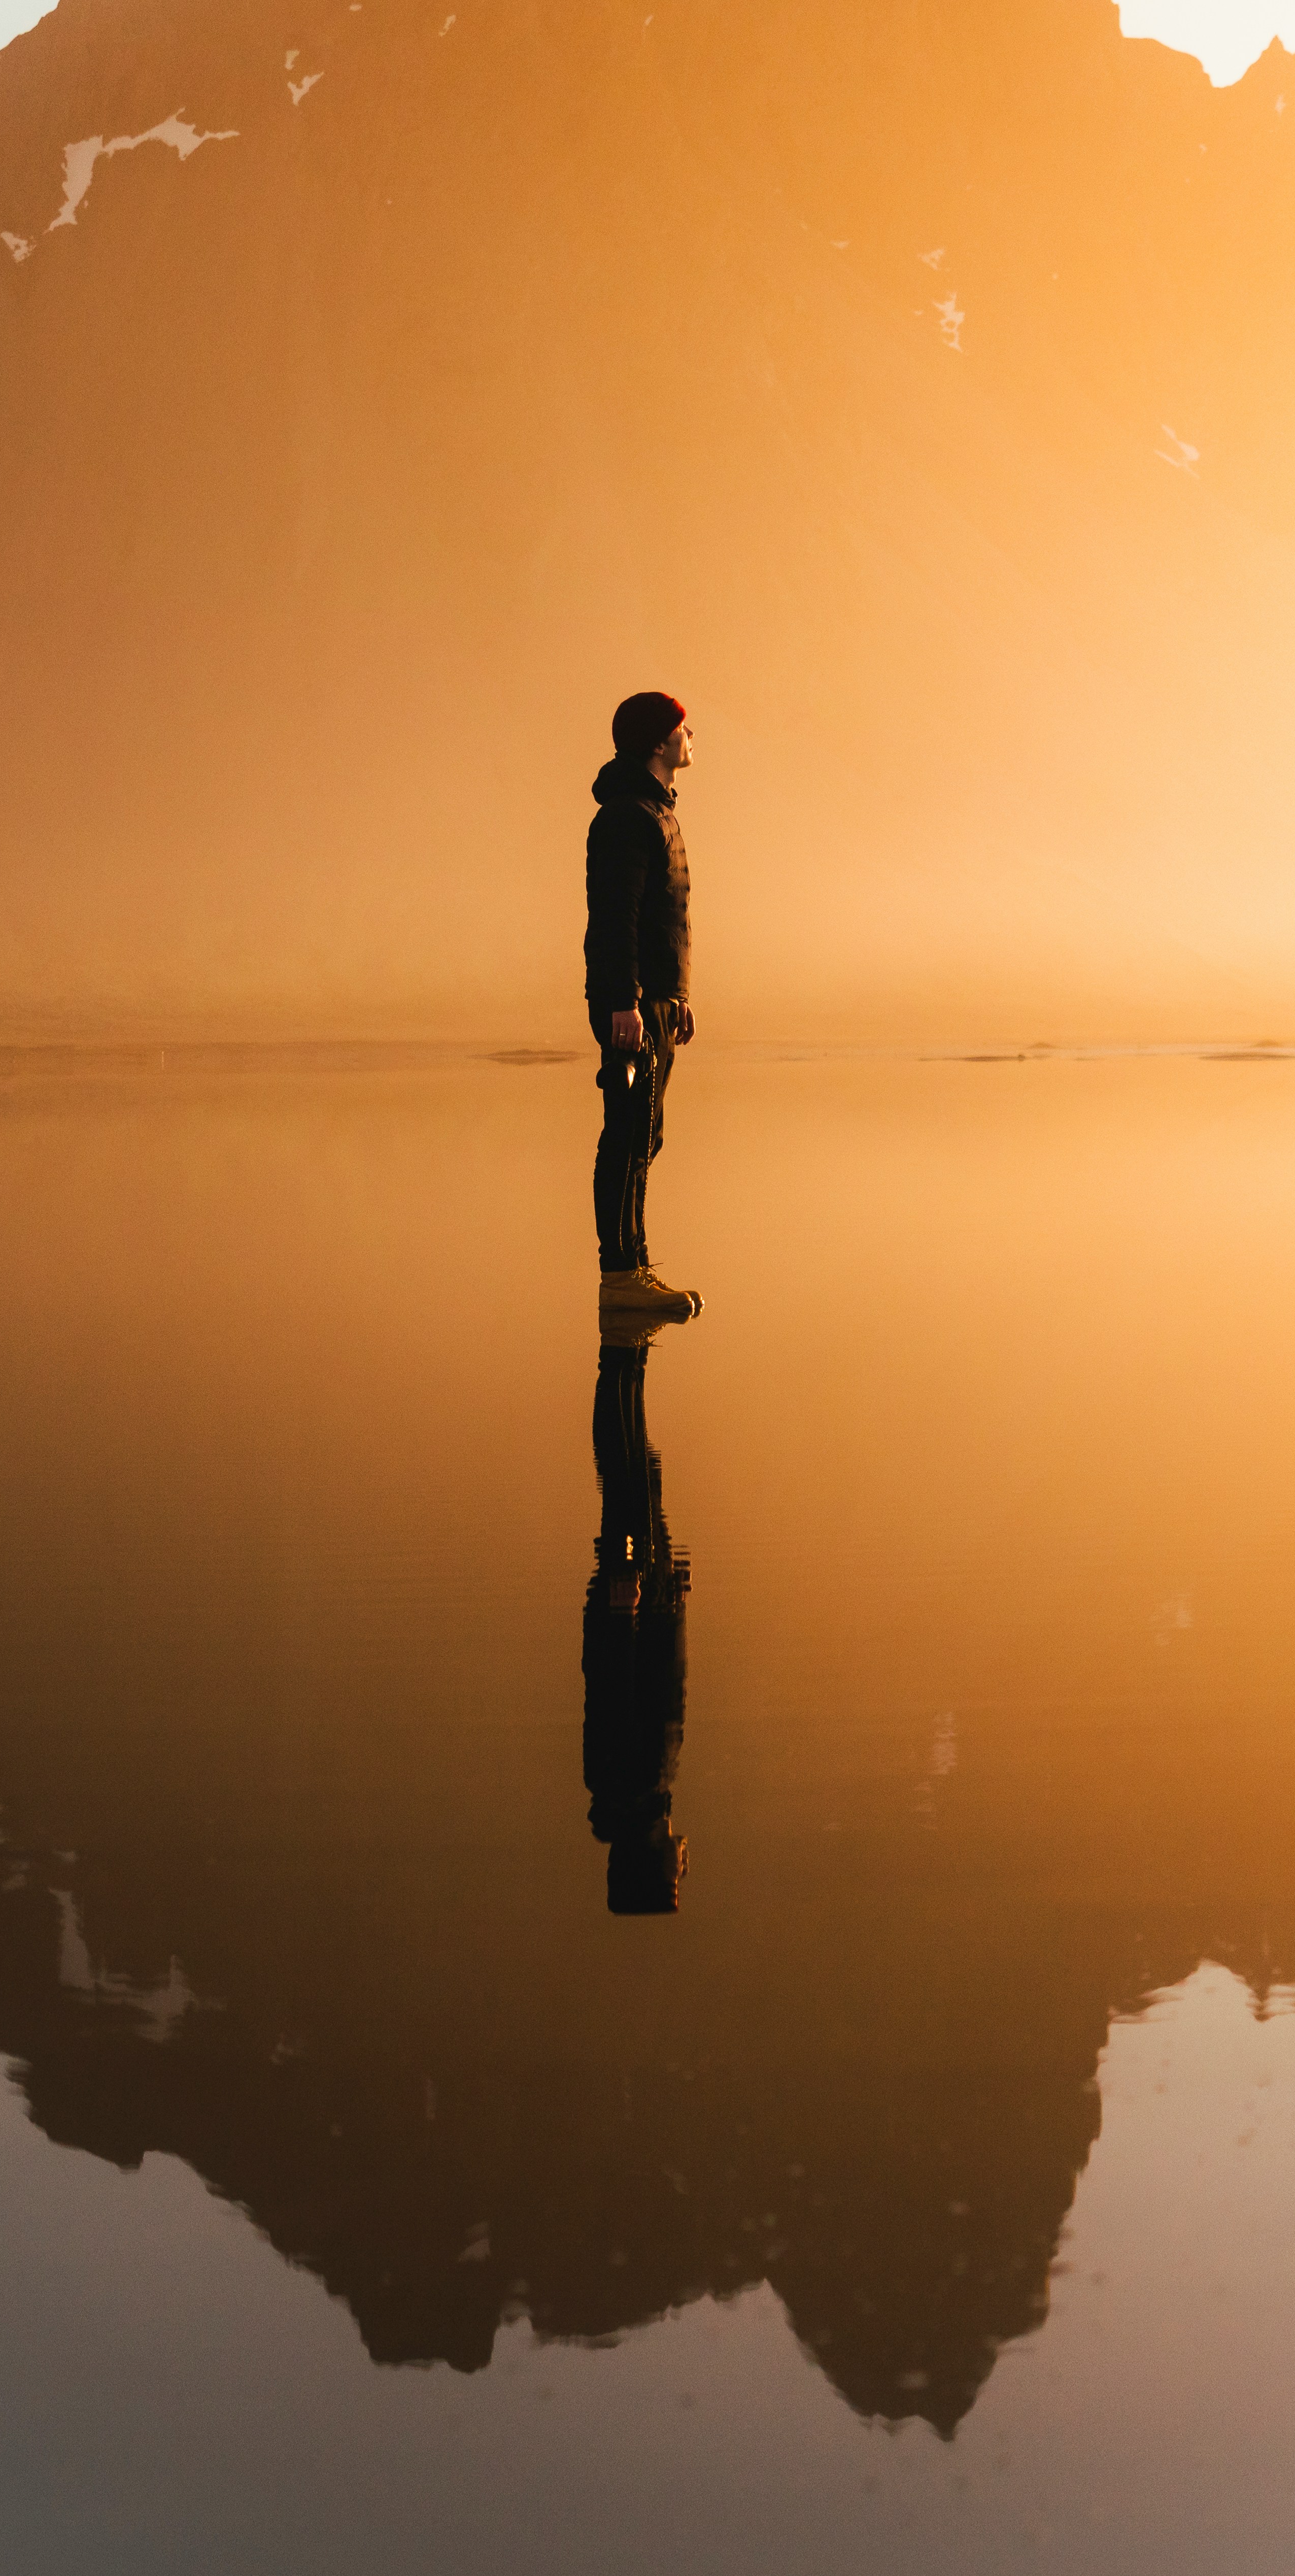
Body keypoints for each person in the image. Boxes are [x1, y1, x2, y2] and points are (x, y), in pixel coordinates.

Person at [585, 691, 700, 1322]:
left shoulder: (657, 811)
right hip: (629, 1008)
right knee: (627, 1135)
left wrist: (675, 996)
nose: (693, 737)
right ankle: (621, 1274)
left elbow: (665, 920)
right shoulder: (629, 817)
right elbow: (616, 921)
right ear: (659, 742)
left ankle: (637, 1267)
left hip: (653, 1003)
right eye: (685, 729)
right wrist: (623, 1002)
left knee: (645, 1135)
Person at [583, 1330, 690, 1915]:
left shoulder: (630, 1781)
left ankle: (620, 1356)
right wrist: (674, 1609)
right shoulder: (639, 1789)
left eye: (677, 1873)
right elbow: (665, 1690)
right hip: (651, 1604)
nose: (685, 1859)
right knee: (637, 1473)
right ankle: (625, 1355)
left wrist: (629, 1616)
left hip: (635, 1602)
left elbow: (616, 1693)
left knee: (628, 1471)